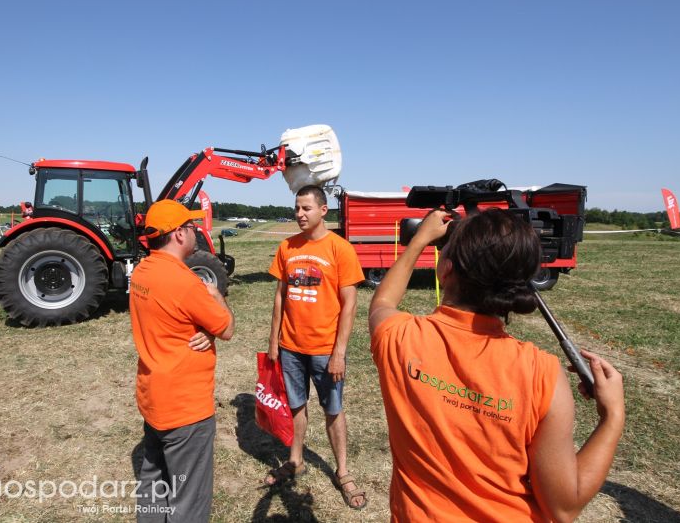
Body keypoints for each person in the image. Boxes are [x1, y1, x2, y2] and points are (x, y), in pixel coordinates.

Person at [369, 208, 625, 522]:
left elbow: (382, 303)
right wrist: (612, 416)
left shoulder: (400, 339)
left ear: (445, 270)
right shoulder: (543, 374)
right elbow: (563, 507)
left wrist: (420, 240)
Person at [130, 199, 235, 523]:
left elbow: (173, 318)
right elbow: (228, 327)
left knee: (153, 480)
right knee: (188, 499)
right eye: (190, 227)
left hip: (154, 397)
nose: (194, 232)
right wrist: (217, 297)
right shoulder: (185, 282)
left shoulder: (142, 271)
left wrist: (206, 329)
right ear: (178, 235)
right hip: (186, 407)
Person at [265, 185, 367, 510]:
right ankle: (295, 460)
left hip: (325, 349)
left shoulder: (340, 249)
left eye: (306, 208)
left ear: (324, 210)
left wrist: (339, 352)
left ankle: (343, 472)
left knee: (333, 409)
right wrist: (273, 341)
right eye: (297, 208)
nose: (299, 214)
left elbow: (349, 304)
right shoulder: (287, 247)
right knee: (296, 405)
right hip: (290, 346)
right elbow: (281, 295)